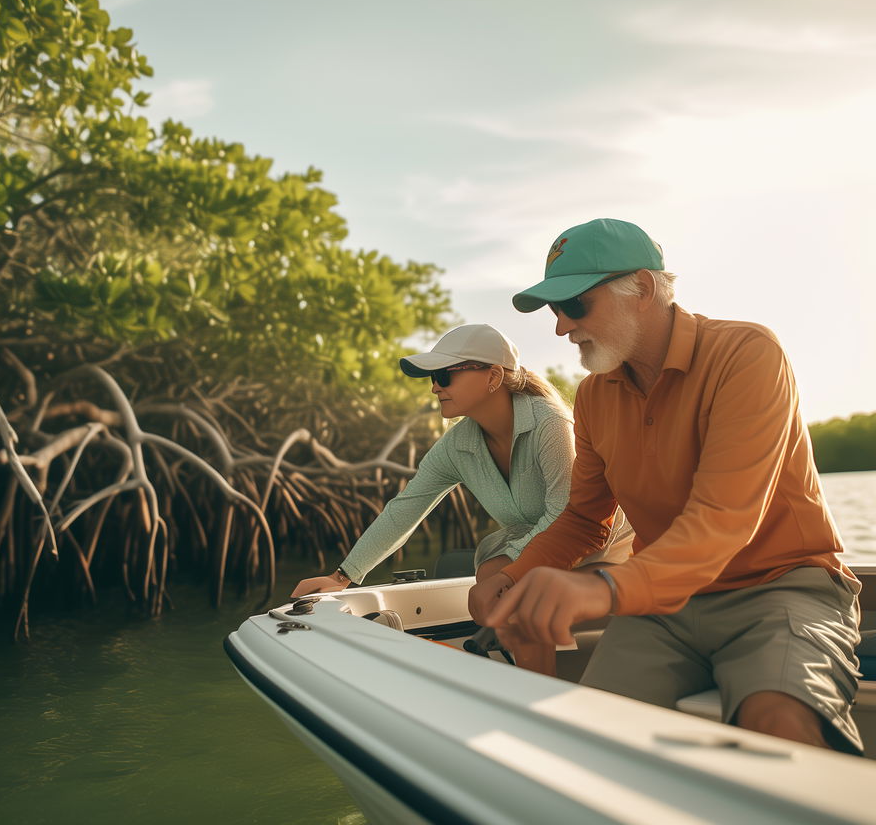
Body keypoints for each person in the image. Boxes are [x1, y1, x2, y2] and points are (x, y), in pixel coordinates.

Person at [469, 217, 863, 754]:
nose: (561, 327)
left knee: (779, 728)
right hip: (663, 610)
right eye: (554, 311)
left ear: (644, 290)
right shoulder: (592, 397)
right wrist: (513, 577)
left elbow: (722, 520)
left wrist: (600, 589)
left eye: (574, 306)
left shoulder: (748, 353)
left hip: (781, 589)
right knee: (591, 744)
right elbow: (586, 518)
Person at [291, 323, 633, 669]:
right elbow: (404, 510)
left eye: (444, 375)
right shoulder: (457, 445)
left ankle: (533, 701)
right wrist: (342, 576)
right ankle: (520, 674)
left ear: (493, 376)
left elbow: (565, 515)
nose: (434, 387)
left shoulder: (551, 425)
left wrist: (509, 574)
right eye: (432, 378)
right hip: (536, 552)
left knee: (512, 592)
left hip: (606, 552)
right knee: (491, 577)